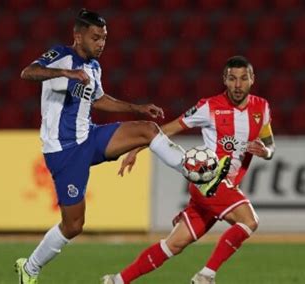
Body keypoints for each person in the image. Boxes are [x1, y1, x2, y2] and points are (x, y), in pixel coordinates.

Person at [14, 9, 229, 284]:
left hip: (89, 137)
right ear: (78, 36)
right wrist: (65, 72)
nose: (101, 43)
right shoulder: (61, 55)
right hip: (64, 150)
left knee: (147, 130)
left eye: (104, 38)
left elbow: (99, 99)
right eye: (96, 38)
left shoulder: (93, 67)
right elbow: (27, 72)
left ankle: (197, 173)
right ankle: (29, 268)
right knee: (74, 225)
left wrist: (136, 108)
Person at [102, 56, 276, 284]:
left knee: (173, 244)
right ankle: (206, 275)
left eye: (243, 78)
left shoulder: (261, 107)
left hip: (226, 187)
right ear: (224, 80)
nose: (237, 84)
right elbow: (171, 128)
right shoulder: (209, 107)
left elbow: (270, 144)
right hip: (209, 180)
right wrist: (138, 147)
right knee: (249, 221)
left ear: (252, 79)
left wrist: (266, 152)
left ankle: (117, 281)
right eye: (232, 78)